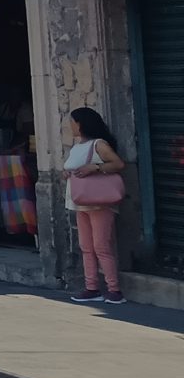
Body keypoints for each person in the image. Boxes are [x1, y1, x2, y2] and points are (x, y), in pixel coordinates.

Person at [64, 106, 131, 305]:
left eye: (72, 122)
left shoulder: (98, 145)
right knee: (86, 247)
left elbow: (118, 164)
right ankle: (92, 287)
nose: (70, 126)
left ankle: (114, 289)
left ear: (80, 124)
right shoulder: (77, 146)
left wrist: (94, 167)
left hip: (98, 202)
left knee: (101, 246)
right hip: (80, 202)